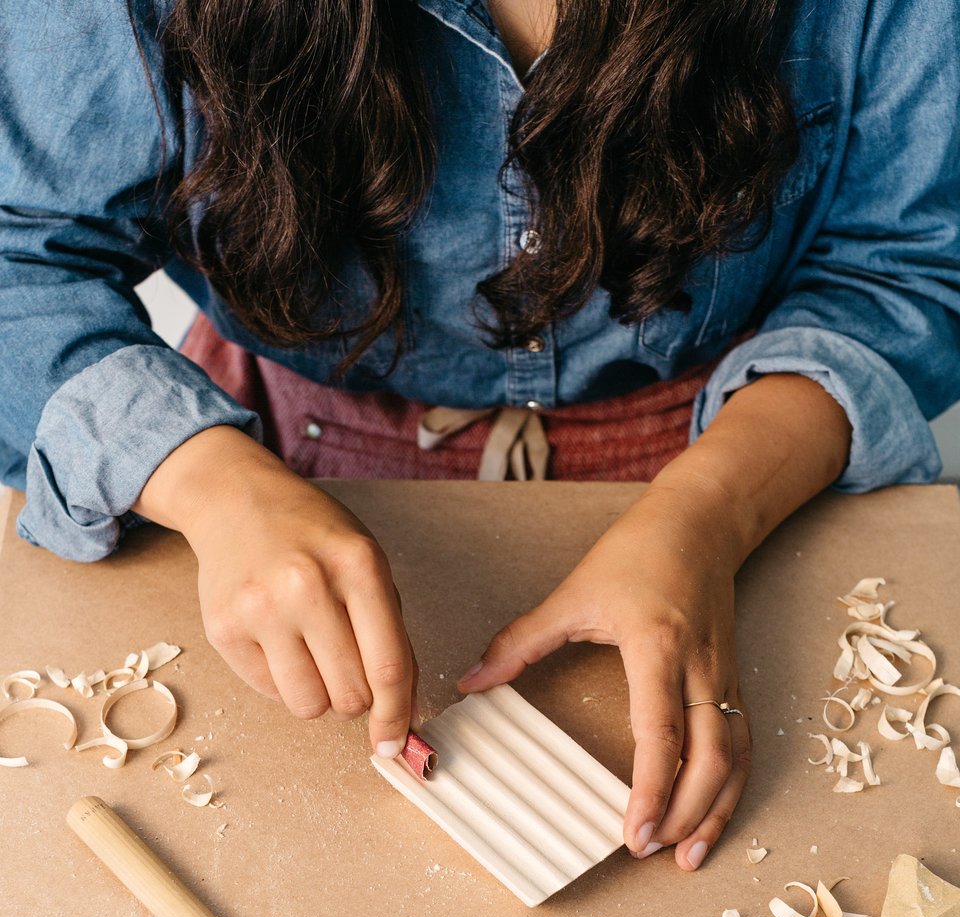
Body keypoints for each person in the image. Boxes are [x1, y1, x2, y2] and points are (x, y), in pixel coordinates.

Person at [2, 1, 959, 870]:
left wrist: (707, 513)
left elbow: (907, 269)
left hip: (732, 439)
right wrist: (205, 480)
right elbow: (18, 255)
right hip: (274, 429)